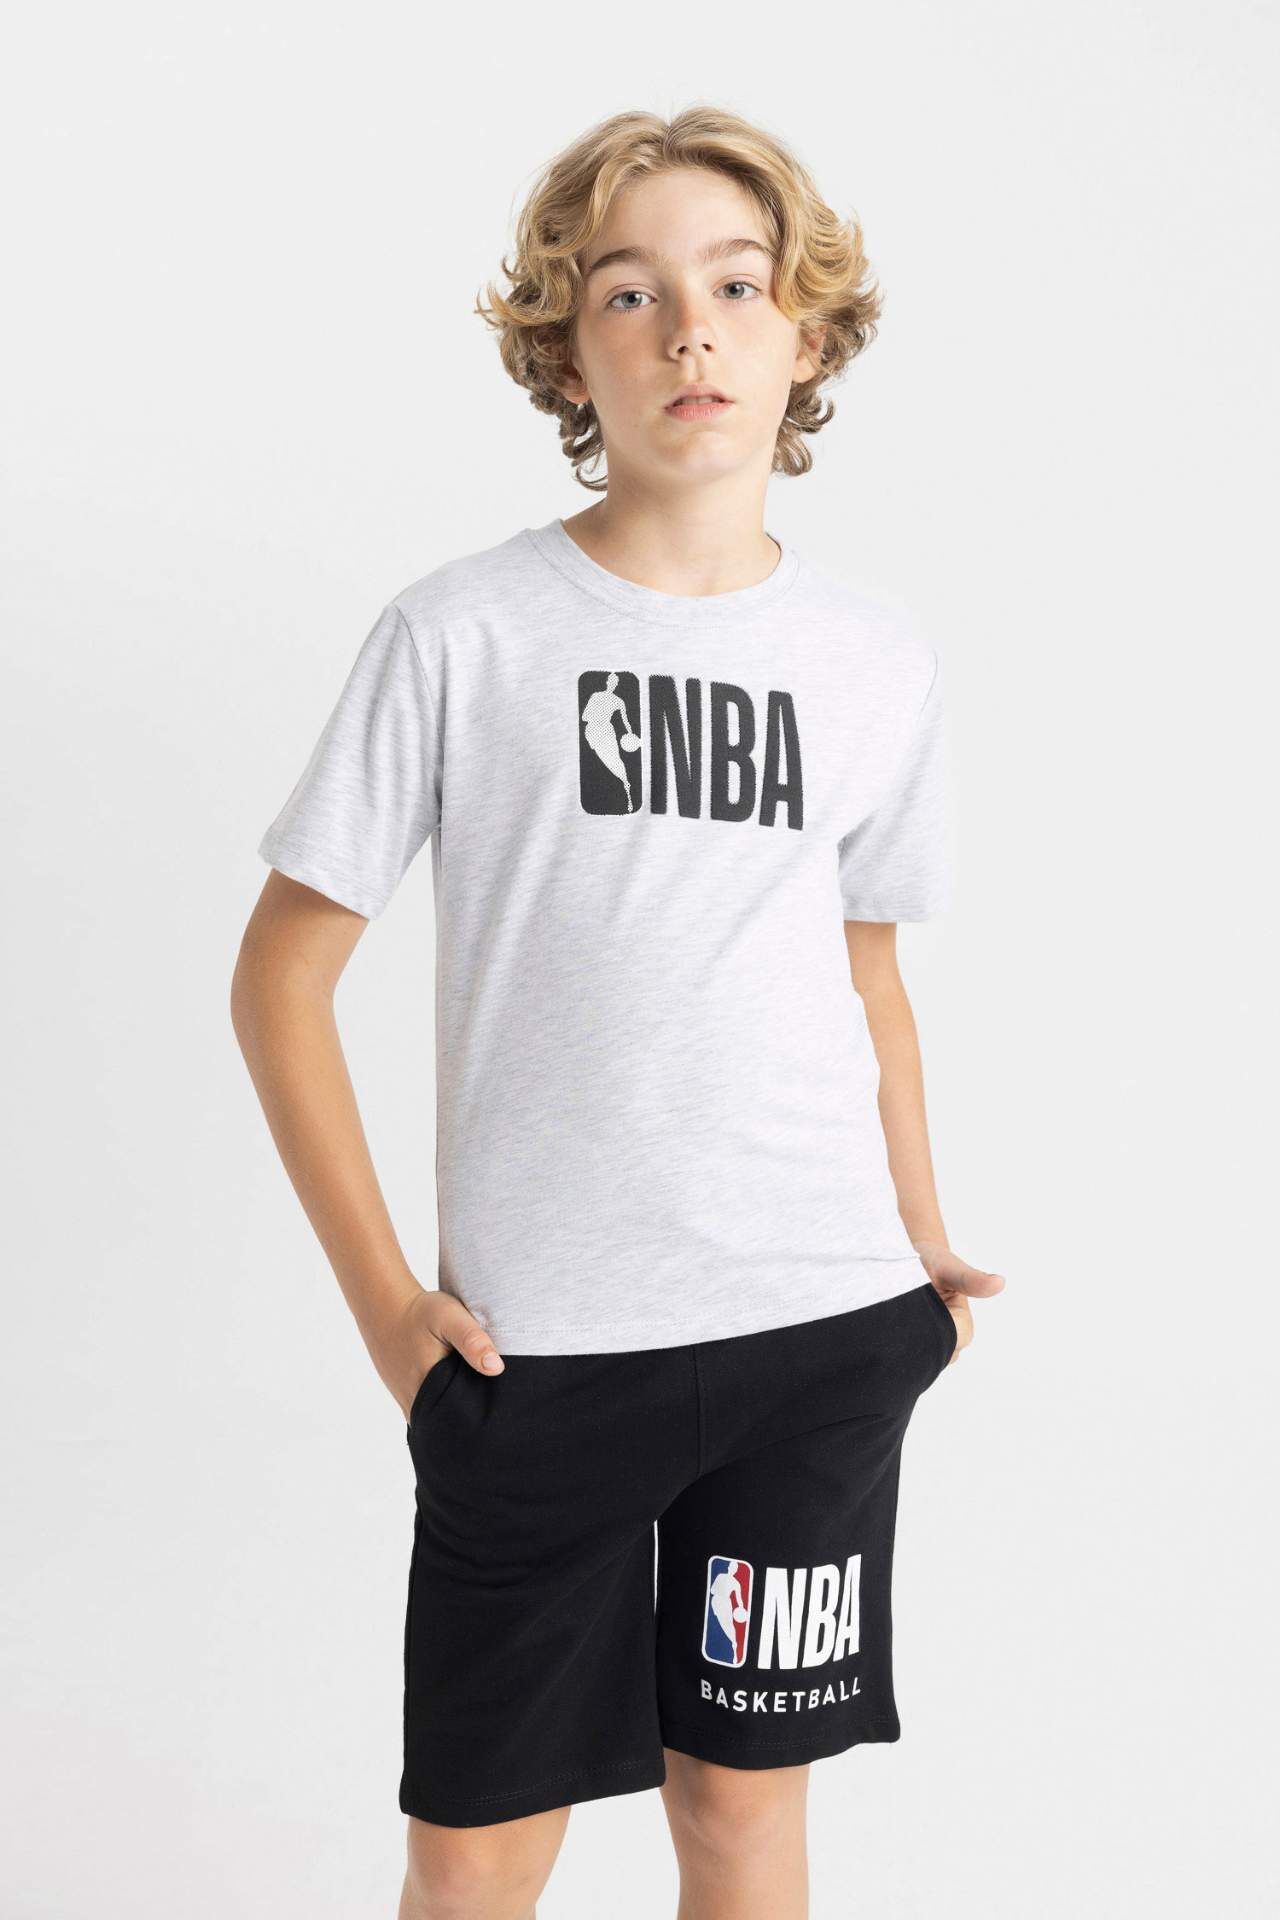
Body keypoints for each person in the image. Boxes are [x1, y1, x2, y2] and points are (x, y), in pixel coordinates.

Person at [231, 103, 1005, 1920]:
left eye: (738, 287)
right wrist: (389, 1315)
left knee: (741, 1816)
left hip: (816, 1333)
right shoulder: (464, 634)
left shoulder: (875, 660)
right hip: (543, 1362)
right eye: (632, 294)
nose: (691, 333)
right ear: (567, 351)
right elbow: (280, 980)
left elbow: (869, 978)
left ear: (807, 335)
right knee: (477, 1852)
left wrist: (920, 1251)